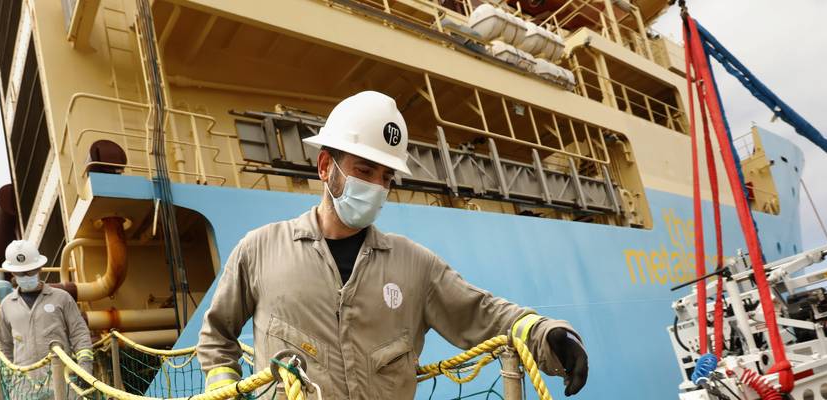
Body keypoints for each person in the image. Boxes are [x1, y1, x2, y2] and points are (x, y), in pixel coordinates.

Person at [197, 91, 589, 398]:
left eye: (386, 176)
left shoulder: (414, 265)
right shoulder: (259, 250)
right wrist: (221, 387)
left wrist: (546, 333)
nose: (376, 187)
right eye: (364, 170)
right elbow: (217, 335)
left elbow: (484, 315)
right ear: (324, 167)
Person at [0, 240, 95, 391]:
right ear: (12, 273)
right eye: (20, 273)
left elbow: (79, 333)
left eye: (30, 271)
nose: (26, 276)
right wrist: (9, 379)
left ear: (39, 268)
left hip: (63, 383)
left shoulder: (61, 298)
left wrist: (85, 368)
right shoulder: (6, 305)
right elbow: (5, 345)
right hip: (24, 388)